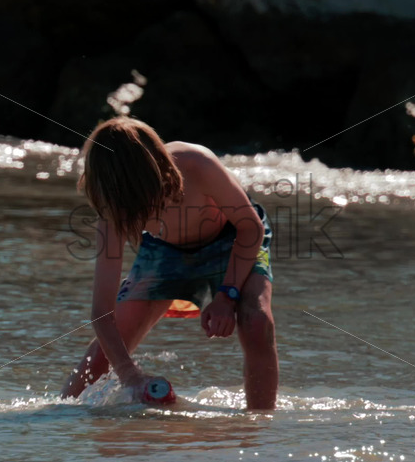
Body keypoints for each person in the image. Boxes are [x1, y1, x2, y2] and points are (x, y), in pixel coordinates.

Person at [60, 117, 278, 410]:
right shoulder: (112, 209)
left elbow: (251, 226)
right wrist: (130, 375)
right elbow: (101, 312)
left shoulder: (196, 163)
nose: (137, 207)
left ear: (158, 167)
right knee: (104, 354)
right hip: (165, 249)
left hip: (233, 238)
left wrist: (227, 296)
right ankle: (61, 419)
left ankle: (260, 426)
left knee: (256, 321)